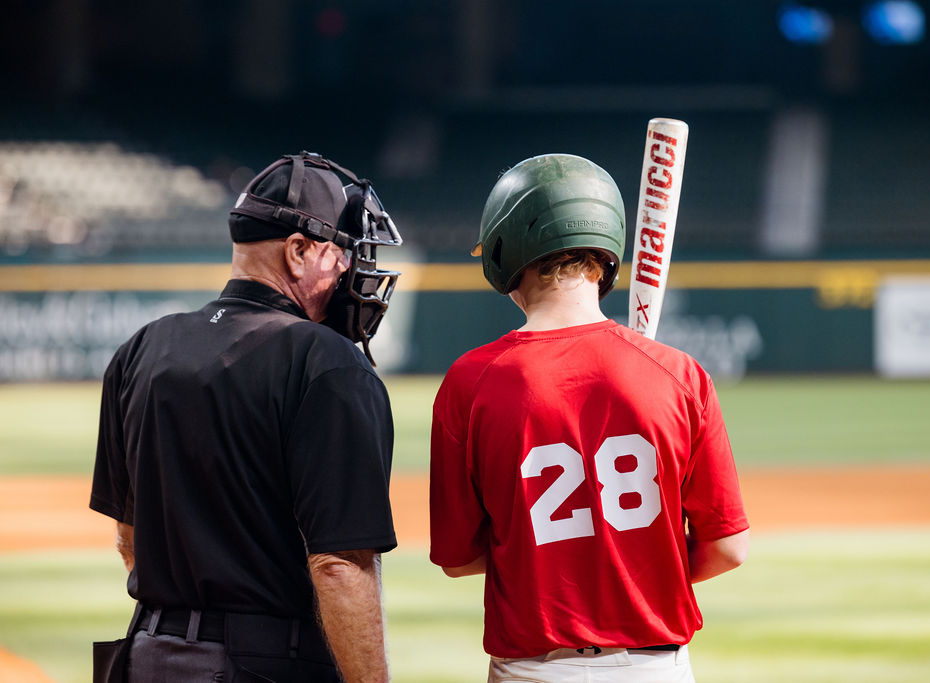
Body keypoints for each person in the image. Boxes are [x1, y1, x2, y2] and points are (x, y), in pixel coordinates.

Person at [429, 153, 749, 682]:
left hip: (532, 670)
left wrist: (550, 567)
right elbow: (728, 548)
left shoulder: (472, 381)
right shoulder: (679, 374)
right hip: (657, 668)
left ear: (506, 248)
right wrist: (637, 576)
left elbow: (457, 559)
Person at [89, 151, 402, 682]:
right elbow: (339, 565)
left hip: (145, 656)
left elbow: (128, 537)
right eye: (342, 252)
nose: (350, 269)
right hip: (263, 665)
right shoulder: (325, 361)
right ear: (298, 251)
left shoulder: (143, 348)